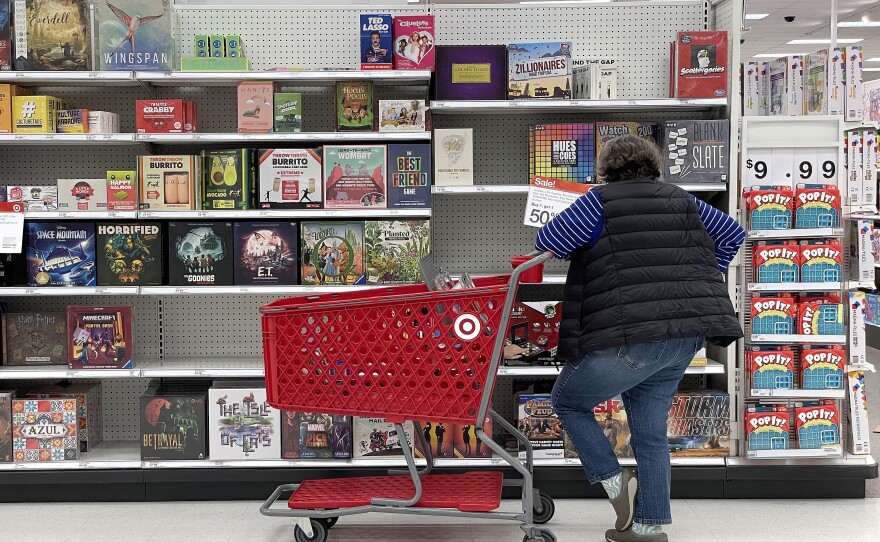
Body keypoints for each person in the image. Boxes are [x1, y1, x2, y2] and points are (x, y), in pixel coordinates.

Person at [535, 135, 744, 542]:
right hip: (683, 338)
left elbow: (548, 241)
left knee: (567, 400)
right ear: (654, 166)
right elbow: (732, 233)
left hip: (629, 337)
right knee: (650, 434)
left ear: (605, 171)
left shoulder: (599, 202)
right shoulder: (683, 199)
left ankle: (616, 484)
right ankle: (648, 528)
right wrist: (701, 272)